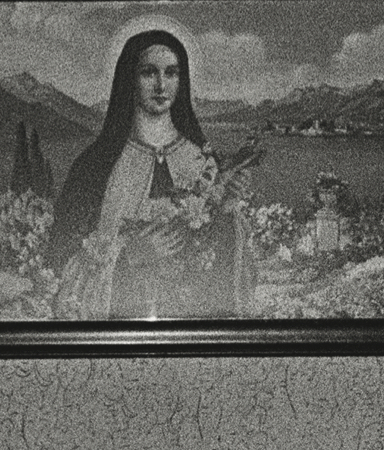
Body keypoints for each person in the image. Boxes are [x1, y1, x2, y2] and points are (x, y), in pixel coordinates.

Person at [46, 29, 250, 319]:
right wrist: (127, 256)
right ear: (130, 79)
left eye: (171, 73)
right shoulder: (94, 167)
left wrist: (227, 211)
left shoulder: (201, 162)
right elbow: (59, 265)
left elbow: (223, 274)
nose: (160, 85)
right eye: (148, 73)